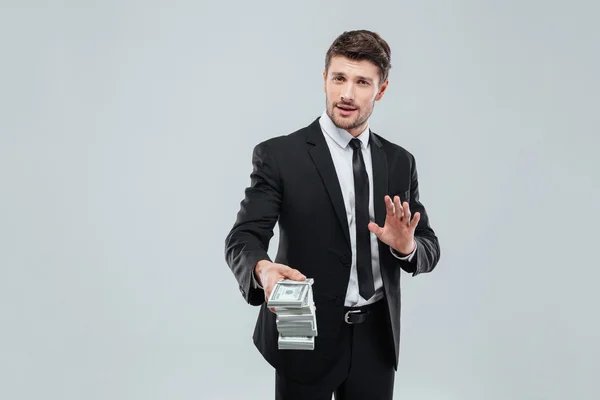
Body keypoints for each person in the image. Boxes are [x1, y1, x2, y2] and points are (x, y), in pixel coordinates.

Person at [224, 29, 441, 400]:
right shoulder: (280, 156)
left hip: (375, 338)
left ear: (381, 90)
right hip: (303, 330)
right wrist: (263, 269)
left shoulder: (399, 161)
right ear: (324, 79)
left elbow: (429, 249)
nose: (346, 94)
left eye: (361, 82)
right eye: (339, 78)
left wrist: (406, 248)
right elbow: (243, 238)